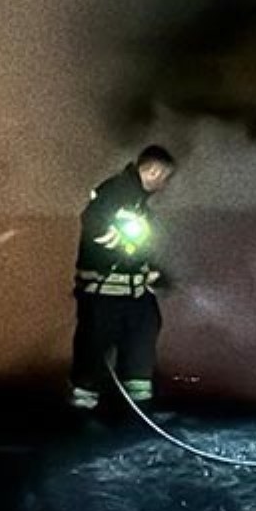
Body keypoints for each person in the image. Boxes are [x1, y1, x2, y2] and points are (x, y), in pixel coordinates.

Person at [70, 144, 176, 414]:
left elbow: (137, 247)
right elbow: (94, 220)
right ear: (153, 171)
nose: (164, 185)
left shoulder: (137, 202)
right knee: (94, 347)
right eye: (164, 177)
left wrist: (152, 272)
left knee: (143, 334)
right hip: (104, 293)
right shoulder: (115, 191)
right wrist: (114, 245)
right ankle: (83, 408)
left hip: (131, 294)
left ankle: (139, 404)